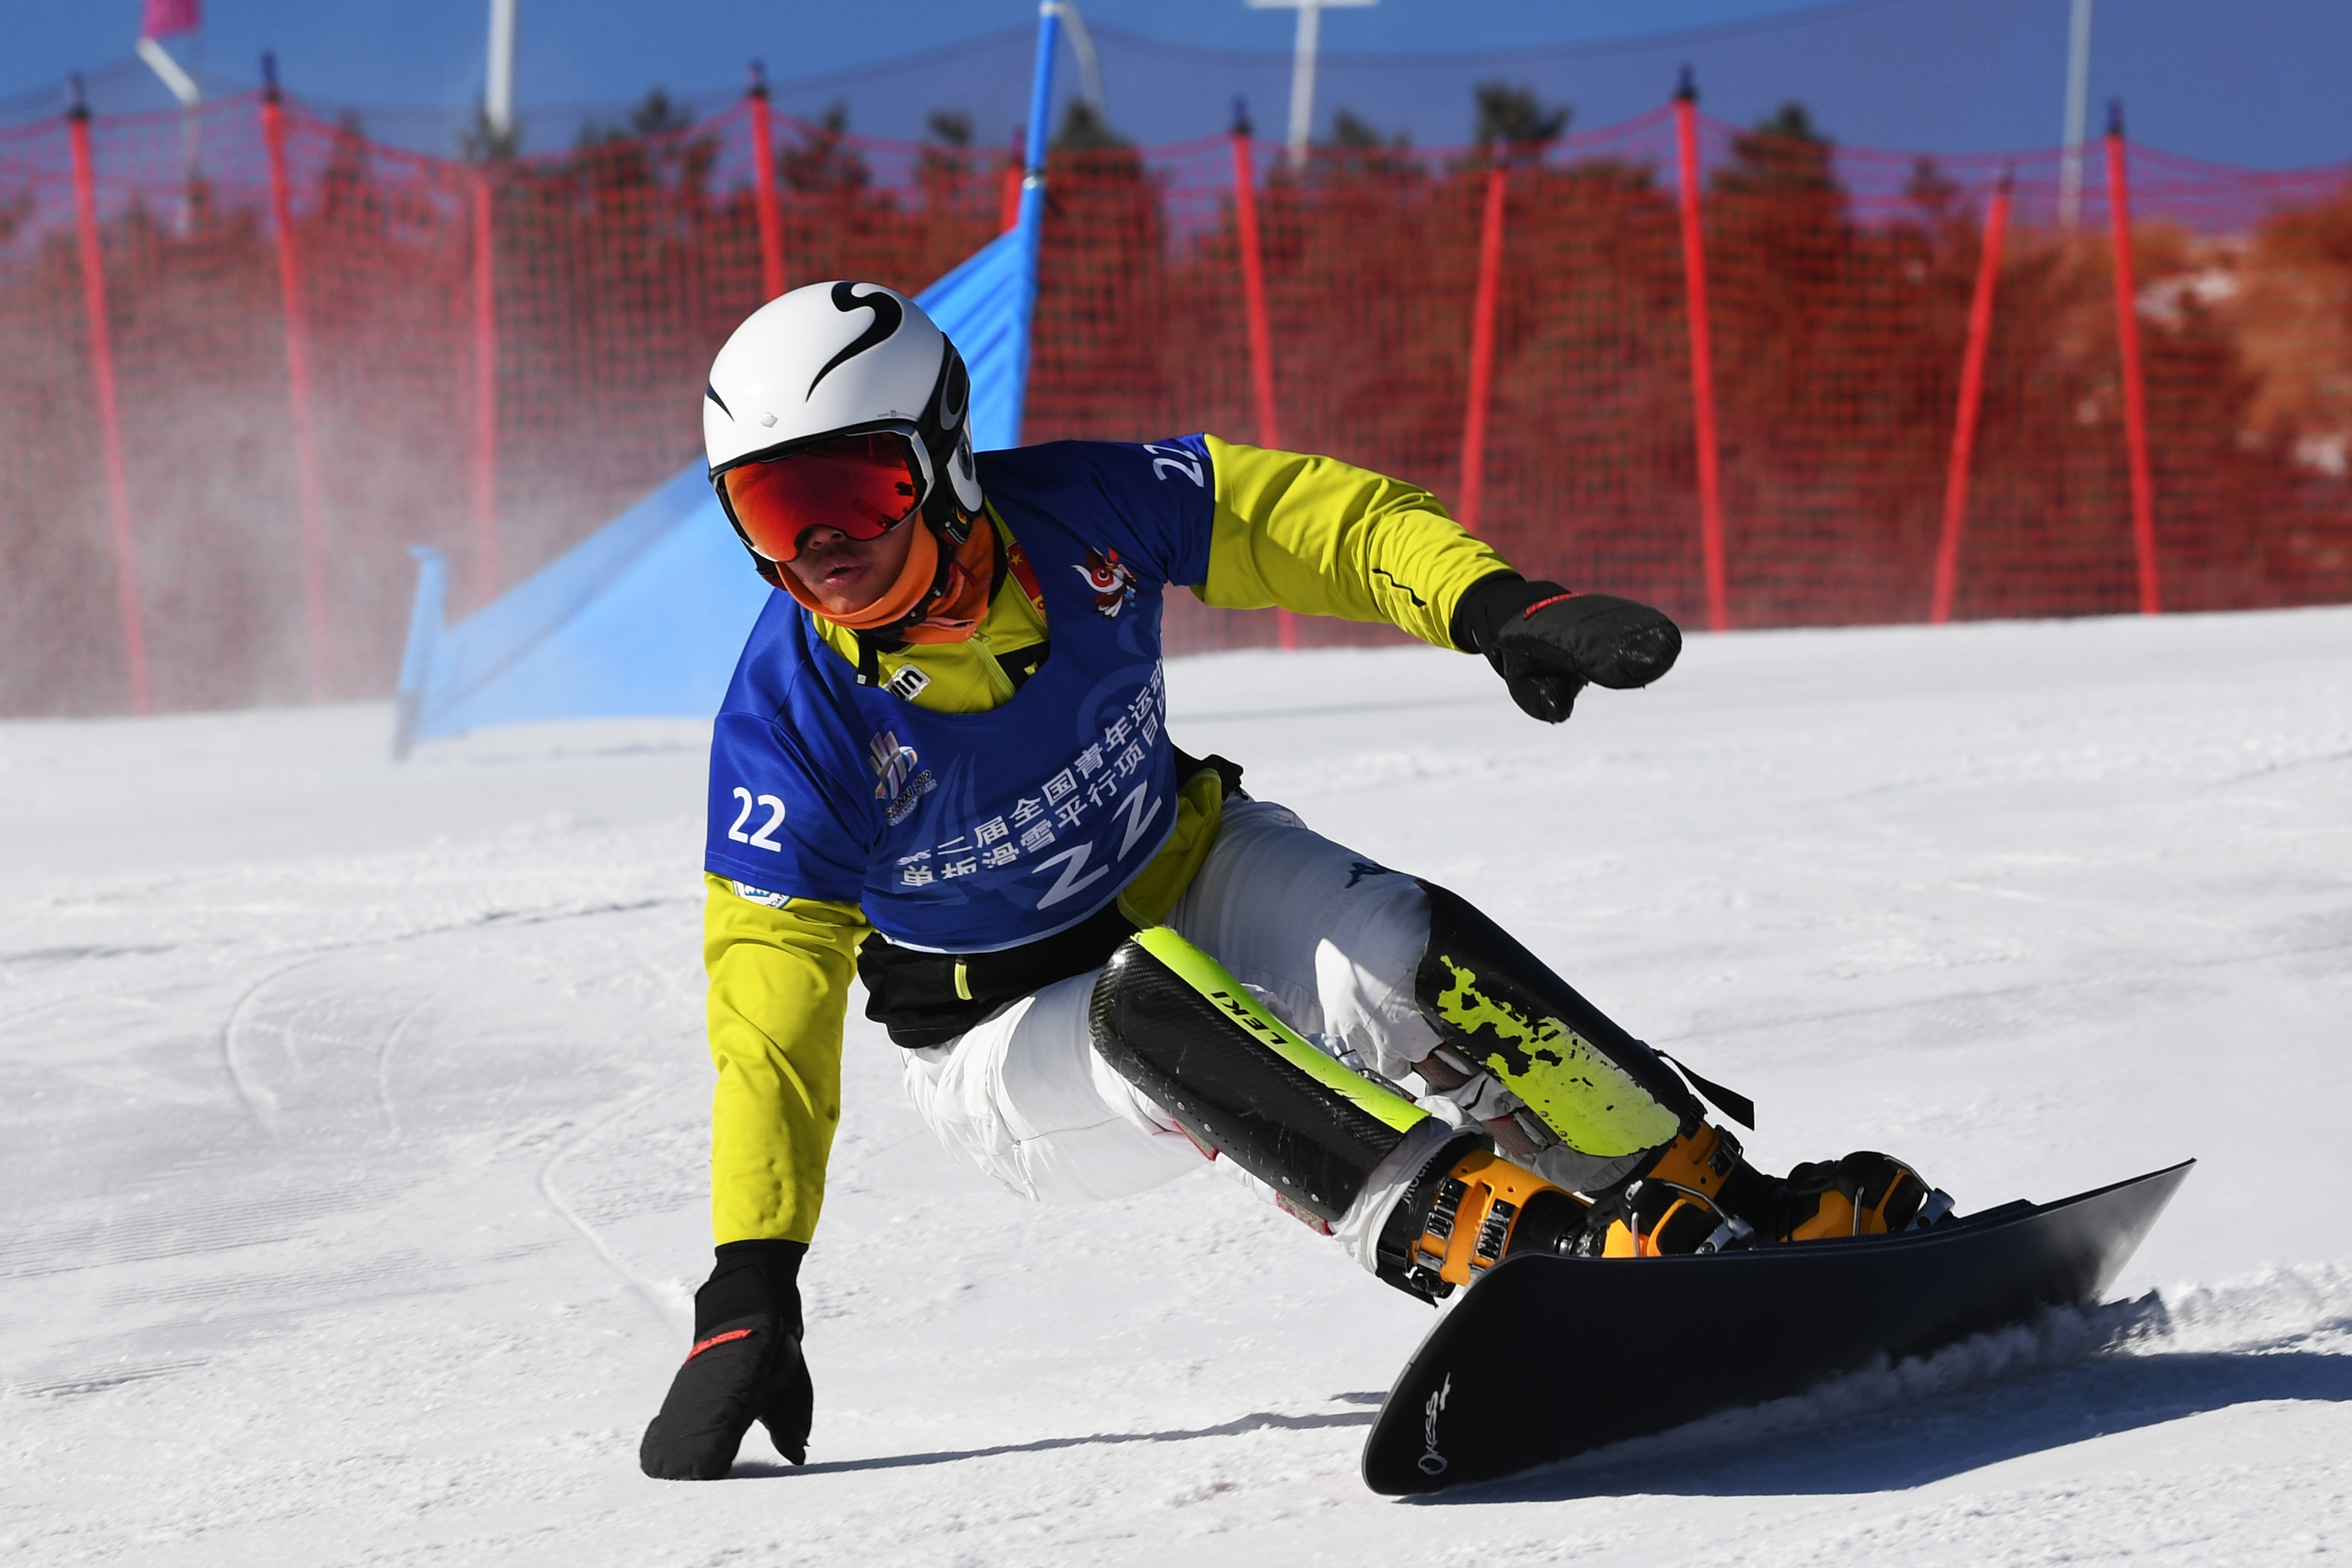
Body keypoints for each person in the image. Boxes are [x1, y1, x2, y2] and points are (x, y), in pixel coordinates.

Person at [638, 281, 1945, 1481]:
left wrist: (1490, 604)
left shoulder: (1085, 507)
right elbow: (768, 1032)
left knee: (1400, 947)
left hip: (1182, 864)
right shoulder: (788, 726)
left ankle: (1713, 1197)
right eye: (764, 507)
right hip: (1003, 1047)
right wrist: (749, 1283)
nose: (816, 543)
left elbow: (1312, 521)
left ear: (942, 458)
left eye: (851, 490)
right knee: (1151, 996)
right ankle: (1521, 1259)